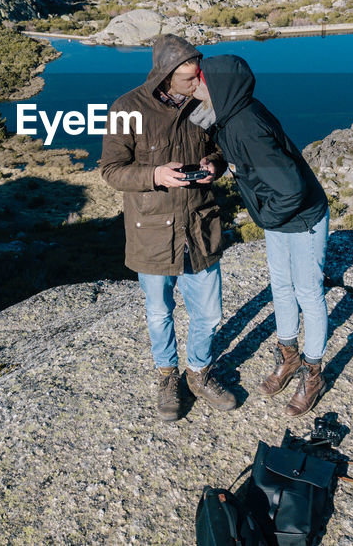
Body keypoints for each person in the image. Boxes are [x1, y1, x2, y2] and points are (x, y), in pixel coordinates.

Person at [99, 34, 237, 422]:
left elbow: (221, 151)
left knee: (209, 314)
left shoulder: (203, 104)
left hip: (199, 225)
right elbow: (111, 170)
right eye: (189, 79)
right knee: (159, 312)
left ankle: (199, 372)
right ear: (165, 75)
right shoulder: (127, 108)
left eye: (198, 77)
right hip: (154, 231)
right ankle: (166, 375)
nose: (198, 85)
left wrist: (214, 165)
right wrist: (156, 174)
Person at [189, 54, 331, 416]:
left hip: (301, 217)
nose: (194, 88)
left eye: (199, 82)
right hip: (280, 216)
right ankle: (289, 356)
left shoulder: (244, 125)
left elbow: (292, 188)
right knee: (282, 288)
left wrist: (266, 218)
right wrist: (217, 164)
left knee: (308, 293)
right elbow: (244, 161)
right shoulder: (231, 118)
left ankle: (313, 373)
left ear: (218, 87)